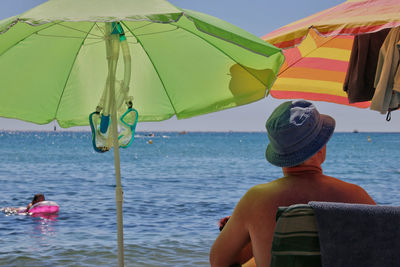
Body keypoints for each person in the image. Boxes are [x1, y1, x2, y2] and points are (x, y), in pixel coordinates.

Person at [209, 100, 376, 267]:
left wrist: (253, 231)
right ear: (321, 147)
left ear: (278, 153)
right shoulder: (356, 196)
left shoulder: (256, 201)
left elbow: (218, 262)